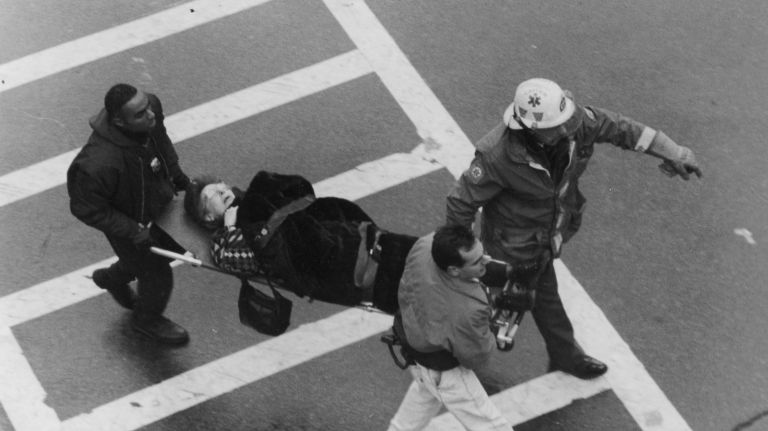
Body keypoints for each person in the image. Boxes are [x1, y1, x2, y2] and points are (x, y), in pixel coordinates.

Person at [446, 77, 703, 379]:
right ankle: (454, 360)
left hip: (544, 240)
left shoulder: (571, 122)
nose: (566, 128)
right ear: (531, 129)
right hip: (510, 249)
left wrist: (673, 151)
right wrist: (465, 259)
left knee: (545, 300)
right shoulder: (496, 156)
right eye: (556, 126)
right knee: (485, 307)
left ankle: (565, 356)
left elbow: (622, 128)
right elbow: (460, 203)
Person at [184, 171, 418, 313]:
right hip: (353, 268)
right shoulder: (223, 242)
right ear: (207, 216)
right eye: (211, 195)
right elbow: (246, 263)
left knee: (424, 256)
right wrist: (231, 226)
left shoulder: (257, 200)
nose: (221, 189)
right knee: (422, 291)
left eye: (220, 185)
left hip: (362, 238)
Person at [67, 83, 191, 345]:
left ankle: (111, 278)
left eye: (147, 106)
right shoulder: (97, 164)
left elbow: (161, 140)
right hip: (128, 225)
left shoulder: (150, 112)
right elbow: (87, 208)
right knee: (157, 274)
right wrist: (133, 230)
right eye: (140, 114)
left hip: (158, 206)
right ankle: (146, 321)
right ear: (119, 122)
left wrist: (176, 175)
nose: (150, 115)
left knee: (167, 249)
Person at [387, 224, 513, 431]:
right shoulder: (467, 310)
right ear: (453, 270)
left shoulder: (425, 246)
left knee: (409, 418)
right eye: (477, 261)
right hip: (444, 372)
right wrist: (489, 332)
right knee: (492, 426)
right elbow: (476, 356)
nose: (486, 261)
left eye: (482, 252)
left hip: (416, 350)